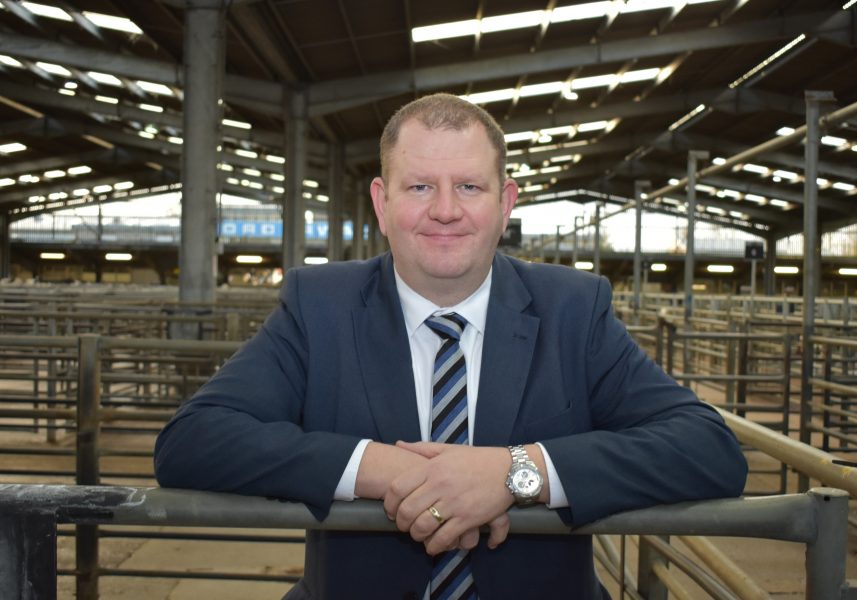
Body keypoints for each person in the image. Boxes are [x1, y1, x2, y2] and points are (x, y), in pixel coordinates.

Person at [154, 93, 747, 600]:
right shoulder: (320, 307)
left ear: (505, 203)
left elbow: (707, 448)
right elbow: (193, 439)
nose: (444, 210)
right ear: (383, 205)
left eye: (468, 186)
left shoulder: (572, 308)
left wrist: (517, 472)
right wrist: (380, 469)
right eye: (419, 187)